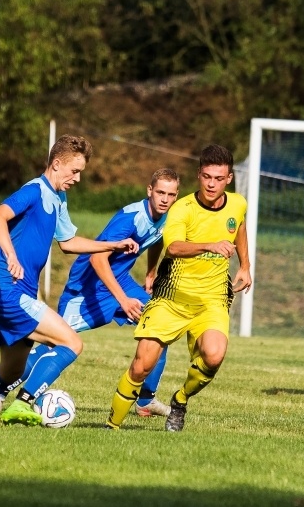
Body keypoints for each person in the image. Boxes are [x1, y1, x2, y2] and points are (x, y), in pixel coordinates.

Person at [0, 134, 139, 427]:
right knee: (71, 343)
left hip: (16, 291)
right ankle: (23, 403)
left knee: (10, 372)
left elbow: (69, 242)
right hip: (7, 288)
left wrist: (112, 245)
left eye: (81, 173)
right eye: (75, 171)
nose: (77, 178)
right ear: (57, 164)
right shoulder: (34, 190)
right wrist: (10, 255)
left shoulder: (58, 198)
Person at [0, 168, 181, 417]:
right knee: (56, 342)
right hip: (88, 288)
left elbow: (157, 239)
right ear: (149, 191)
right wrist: (123, 300)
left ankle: (145, 400)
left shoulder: (166, 216)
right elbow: (98, 259)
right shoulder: (131, 218)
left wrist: (151, 273)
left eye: (171, 194)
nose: (165, 199)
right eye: (160, 192)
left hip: (120, 281)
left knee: (160, 326)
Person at [105, 144, 252, 432]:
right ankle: (112, 427)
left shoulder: (237, 204)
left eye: (218, 178)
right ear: (199, 174)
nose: (212, 184)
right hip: (172, 296)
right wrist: (209, 245)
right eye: (207, 176)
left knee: (214, 355)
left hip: (212, 299)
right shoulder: (182, 208)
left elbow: (240, 228)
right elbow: (173, 246)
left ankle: (180, 400)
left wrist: (245, 266)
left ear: (229, 179)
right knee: (141, 365)